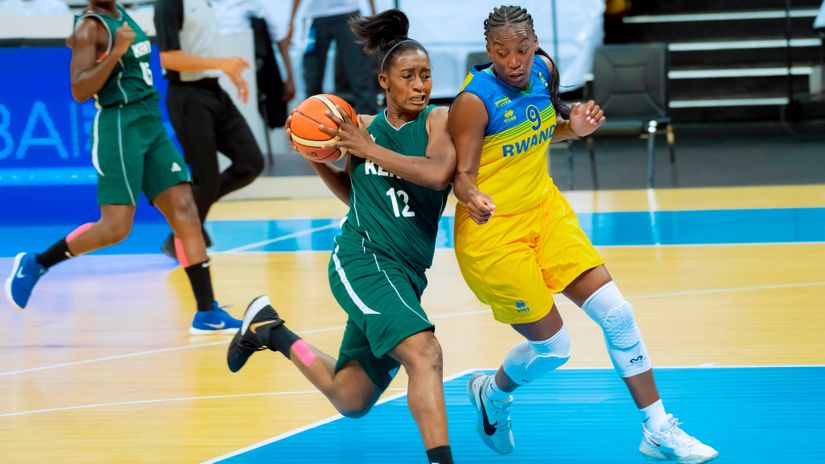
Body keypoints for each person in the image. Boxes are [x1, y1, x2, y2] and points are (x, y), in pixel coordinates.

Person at [448, 5, 718, 463]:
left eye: (521, 49)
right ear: (488, 51)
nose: (513, 61)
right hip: (491, 233)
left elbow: (540, 130)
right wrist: (472, 196)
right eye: (501, 53)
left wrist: (573, 128)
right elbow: (462, 175)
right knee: (554, 349)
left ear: (535, 43)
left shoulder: (542, 71)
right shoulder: (473, 103)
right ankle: (492, 394)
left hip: (546, 213)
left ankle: (657, 429)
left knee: (618, 314)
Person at [226, 9, 456, 463]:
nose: (420, 85)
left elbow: (437, 174)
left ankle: (271, 331)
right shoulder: (359, 127)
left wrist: (367, 148)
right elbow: (357, 196)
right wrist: (315, 156)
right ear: (384, 82)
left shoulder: (437, 122)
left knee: (350, 398)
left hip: (406, 274)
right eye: (408, 76)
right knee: (424, 353)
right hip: (363, 260)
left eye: (425, 75)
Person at [4, 0, 241, 334]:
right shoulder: (90, 27)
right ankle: (38, 262)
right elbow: (79, 89)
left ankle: (207, 311)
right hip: (119, 125)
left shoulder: (123, 15)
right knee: (116, 227)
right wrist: (116, 52)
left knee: (186, 211)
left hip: (150, 121)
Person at [154, 0, 265, 260]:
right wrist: (222, 63)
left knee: (250, 163)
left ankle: (183, 224)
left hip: (214, 91)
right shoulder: (169, 4)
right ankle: (183, 235)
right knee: (207, 179)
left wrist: (226, 71)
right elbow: (168, 57)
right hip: (187, 97)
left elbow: (200, 45)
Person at [286, 0, 377, 114]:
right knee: (312, 77)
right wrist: (291, 22)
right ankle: (312, 121)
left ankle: (369, 124)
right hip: (315, 16)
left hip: (348, 12)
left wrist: (374, 14)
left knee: (359, 74)